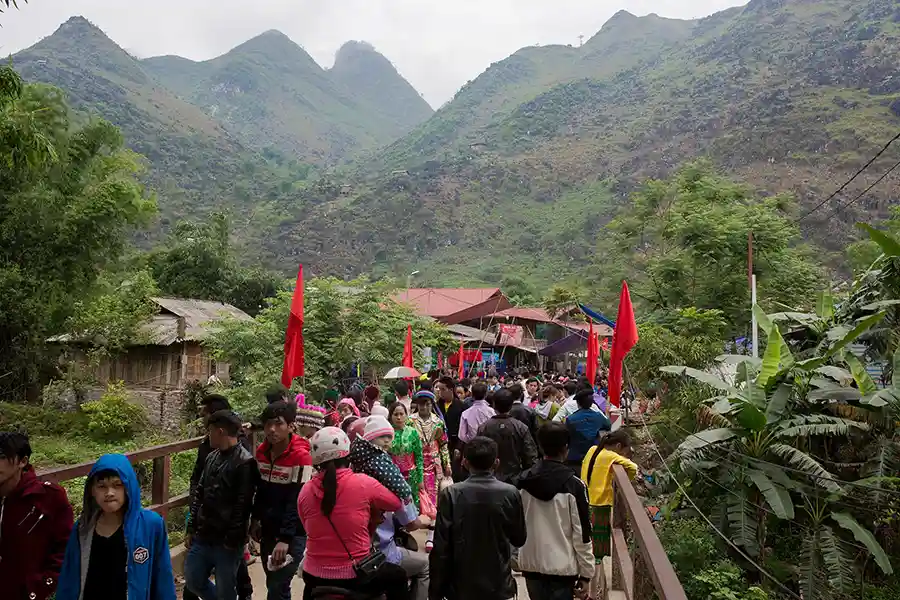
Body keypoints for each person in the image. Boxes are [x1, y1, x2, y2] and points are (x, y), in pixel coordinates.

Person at [298, 427, 408, 600]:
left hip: (313, 576)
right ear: (348, 455)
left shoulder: (305, 491)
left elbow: (306, 526)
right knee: (398, 576)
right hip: (355, 575)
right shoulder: (364, 483)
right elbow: (395, 503)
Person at [57, 454, 176, 600]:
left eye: (117, 485)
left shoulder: (151, 526)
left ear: (128, 487)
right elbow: (69, 581)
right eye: (102, 486)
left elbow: (163, 577)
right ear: (92, 491)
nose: (109, 493)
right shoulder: (82, 529)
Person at [430, 436, 526, 600]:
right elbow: (519, 538)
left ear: (465, 463)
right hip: (499, 585)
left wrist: (436, 590)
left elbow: (441, 548)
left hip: (460, 587)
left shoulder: (450, 494)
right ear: (496, 463)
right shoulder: (510, 493)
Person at [351, 417, 432, 600]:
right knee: (424, 565)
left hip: (351, 551)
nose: (387, 441)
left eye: (389, 437)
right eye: (382, 437)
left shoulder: (354, 465)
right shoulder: (382, 466)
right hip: (378, 550)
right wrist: (418, 520)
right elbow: (409, 519)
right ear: (370, 438)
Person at [513, 423, 593, 600]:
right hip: (562, 569)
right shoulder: (574, 486)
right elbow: (582, 532)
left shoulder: (522, 482)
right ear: (566, 449)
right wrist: (586, 573)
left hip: (531, 565)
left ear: (540, 447)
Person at [186, 395, 253, 600]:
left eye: (210, 431)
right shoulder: (212, 456)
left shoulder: (244, 462)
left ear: (220, 431)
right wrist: (192, 525)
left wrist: (234, 538)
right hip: (204, 534)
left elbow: (243, 504)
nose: (208, 435)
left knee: (226, 589)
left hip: (227, 540)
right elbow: (200, 492)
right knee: (193, 579)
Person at [0, 431, 73, 600]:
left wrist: (38, 587)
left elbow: (64, 548)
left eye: (2, 456)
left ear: (22, 461)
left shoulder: (48, 497)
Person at [252, 401, 309, 600]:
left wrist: (285, 539)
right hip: (267, 529)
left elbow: (297, 500)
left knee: (278, 583)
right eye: (268, 424)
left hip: (293, 534)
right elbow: (260, 490)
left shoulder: (301, 457)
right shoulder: (261, 452)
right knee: (274, 583)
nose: (272, 429)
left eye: (278, 424)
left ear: (291, 426)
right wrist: (255, 519)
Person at [580, 430, 638, 596]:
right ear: (619, 446)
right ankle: (592, 592)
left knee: (588, 546)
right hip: (600, 507)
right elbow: (633, 467)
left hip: (585, 502)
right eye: (625, 451)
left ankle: (590, 590)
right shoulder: (611, 457)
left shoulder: (593, 450)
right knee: (597, 551)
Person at [410, 391, 452, 551]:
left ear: (431, 405)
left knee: (434, 498)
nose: (424, 406)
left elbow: (443, 444)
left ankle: (431, 536)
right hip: (415, 464)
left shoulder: (438, 422)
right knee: (415, 498)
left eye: (427, 403)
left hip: (434, 464)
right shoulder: (410, 421)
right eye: (421, 403)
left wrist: (447, 462)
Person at [476, 388, 538, 484]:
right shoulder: (521, 427)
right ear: (511, 405)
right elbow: (530, 456)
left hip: (489, 479)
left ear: (493, 405)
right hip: (515, 478)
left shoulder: (483, 427)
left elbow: (477, 454)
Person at [388, 401, 424, 504]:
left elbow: (419, 457)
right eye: (395, 414)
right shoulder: (387, 433)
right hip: (394, 477)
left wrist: (420, 479)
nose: (399, 417)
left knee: (413, 507)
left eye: (401, 414)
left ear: (406, 415)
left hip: (412, 477)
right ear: (391, 416)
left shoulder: (413, 432)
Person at [566, 389, 612, 472]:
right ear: (592, 403)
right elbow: (608, 426)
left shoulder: (571, 419)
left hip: (575, 458)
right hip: (593, 456)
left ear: (578, 403)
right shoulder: (598, 416)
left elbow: (567, 436)